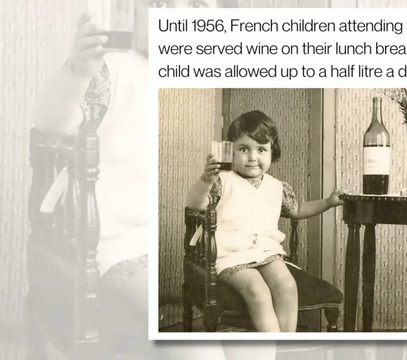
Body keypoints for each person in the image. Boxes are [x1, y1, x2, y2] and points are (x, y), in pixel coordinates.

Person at [31, 0, 275, 359]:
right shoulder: (112, 68)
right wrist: (77, 72)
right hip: (111, 243)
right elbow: (50, 124)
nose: (174, 15)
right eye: (158, 3)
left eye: (194, 4)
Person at [186, 110, 346, 332]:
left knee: (287, 285)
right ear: (230, 151)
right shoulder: (222, 181)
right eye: (244, 149)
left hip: (266, 252)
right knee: (257, 290)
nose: (252, 157)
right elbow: (195, 204)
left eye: (261, 149)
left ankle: (284, 347)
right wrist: (206, 180)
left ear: (273, 151)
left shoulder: (276, 186)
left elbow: (297, 209)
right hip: (230, 254)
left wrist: (328, 202)